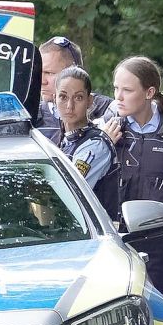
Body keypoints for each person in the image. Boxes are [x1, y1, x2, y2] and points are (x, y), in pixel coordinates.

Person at [106, 56, 163, 325]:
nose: (118, 97)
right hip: (116, 246)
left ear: (149, 92)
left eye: (127, 90)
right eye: (115, 88)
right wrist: (104, 144)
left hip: (161, 247)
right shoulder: (106, 129)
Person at [54, 66, 120, 216]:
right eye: (63, 97)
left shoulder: (96, 145)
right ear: (54, 99)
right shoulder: (63, 140)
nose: (69, 106)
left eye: (78, 97)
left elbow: (68, 194)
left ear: (89, 101)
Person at [37, 36, 113, 143]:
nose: (42, 81)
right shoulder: (30, 117)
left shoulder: (107, 111)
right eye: (39, 73)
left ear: (73, 71)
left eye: (49, 73)